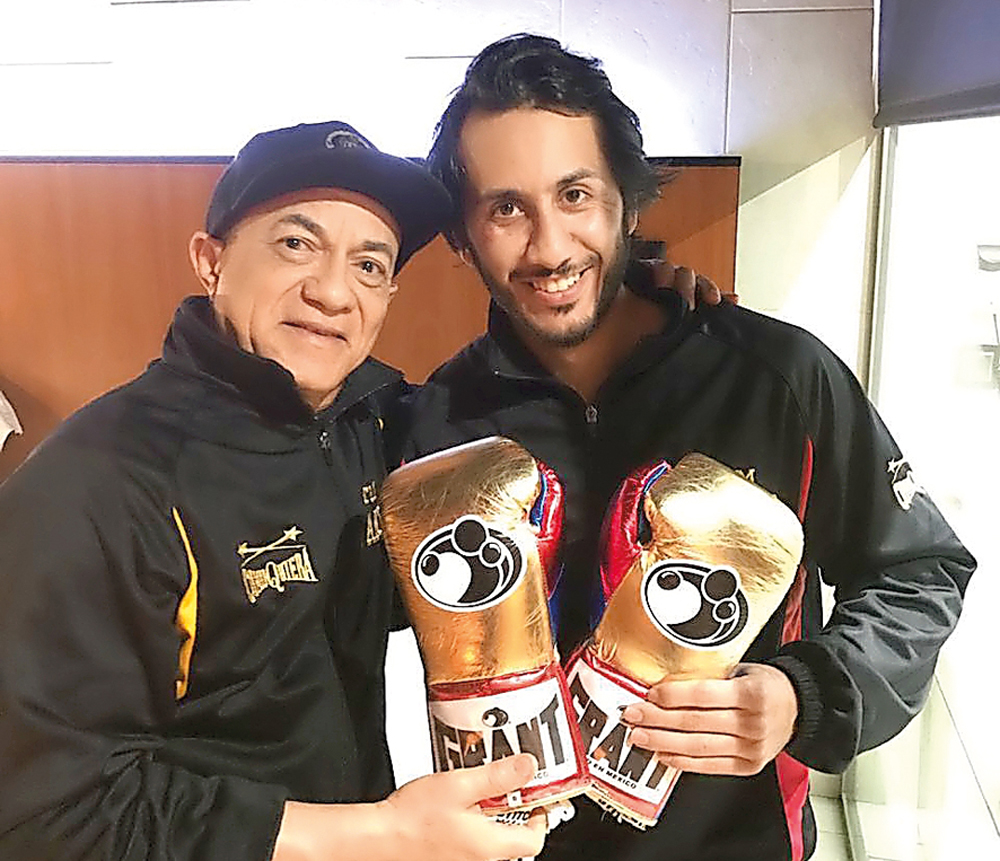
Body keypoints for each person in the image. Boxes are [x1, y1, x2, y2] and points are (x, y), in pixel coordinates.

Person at [397, 34, 977, 861]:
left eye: (576, 195)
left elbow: (920, 571)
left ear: (628, 204)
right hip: (510, 848)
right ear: (463, 234)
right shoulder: (436, 425)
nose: (551, 246)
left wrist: (797, 692)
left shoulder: (778, 378)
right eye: (505, 208)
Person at [0, 119, 548, 861]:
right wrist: (381, 834)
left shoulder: (369, 420)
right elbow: (41, 815)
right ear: (211, 259)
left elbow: (539, 395)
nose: (330, 292)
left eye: (368, 263)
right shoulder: (95, 486)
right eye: (296, 244)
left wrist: (657, 306)